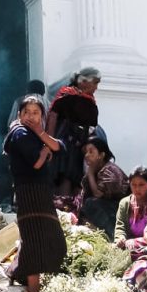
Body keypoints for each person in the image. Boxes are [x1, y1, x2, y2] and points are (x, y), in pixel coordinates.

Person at [3, 95, 66, 292]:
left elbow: (58, 147)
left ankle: (16, 271)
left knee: (52, 239)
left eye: (36, 113)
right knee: (33, 242)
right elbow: (37, 163)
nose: (31, 116)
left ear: (42, 116)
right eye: (27, 112)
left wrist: (42, 135)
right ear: (20, 115)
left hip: (41, 193)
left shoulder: (35, 133)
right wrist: (45, 149)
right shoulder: (19, 133)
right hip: (29, 193)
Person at [46, 67, 101, 198]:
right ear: (83, 81)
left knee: (77, 179)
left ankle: (74, 212)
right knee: (66, 176)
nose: (96, 87)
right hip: (65, 142)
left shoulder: (90, 100)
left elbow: (92, 126)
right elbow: (53, 116)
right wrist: (48, 142)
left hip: (81, 145)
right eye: (95, 82)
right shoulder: (67, 95)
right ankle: (63, 208)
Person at [77, 136, 128, 239]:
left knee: (91, 203)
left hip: (118, 212)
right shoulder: (96, 170)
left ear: (101, 155)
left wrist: (90, 173)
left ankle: (113, 238)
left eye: (91, 152)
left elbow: (98, 194)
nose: (87, 155)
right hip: (104, 209)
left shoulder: (110, 170)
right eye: (86, 152)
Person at [114, 166, 147, 247]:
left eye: (141, 185)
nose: (137, 189)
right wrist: (120, 238)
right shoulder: (124, 203)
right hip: (129, 245)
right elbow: (120, 226)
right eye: (133, 185)